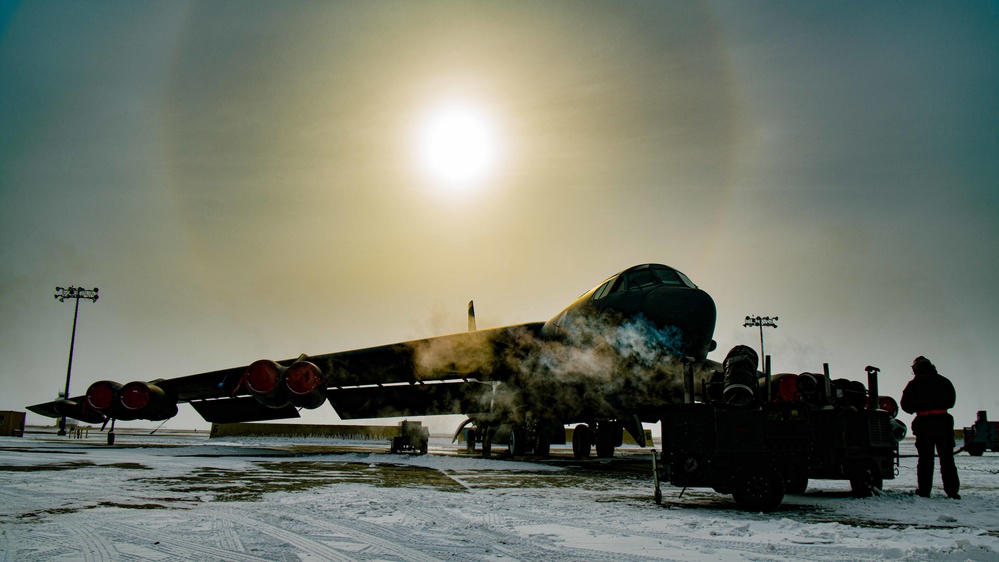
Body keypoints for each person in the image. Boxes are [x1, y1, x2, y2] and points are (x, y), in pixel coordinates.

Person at [900, 356, 960, 499]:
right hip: (943, 423)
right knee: (947, 460)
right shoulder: (944, 381)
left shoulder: (913, 384)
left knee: (925, 460)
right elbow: (951, 401)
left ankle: (924, 491)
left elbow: (905, 406)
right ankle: (952, 492)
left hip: (924, 424)